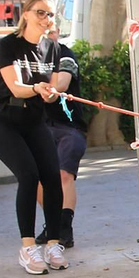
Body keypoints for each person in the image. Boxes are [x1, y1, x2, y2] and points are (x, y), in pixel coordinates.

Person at [0, 0, 70, 275]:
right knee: (28, 175)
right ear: (25, 13)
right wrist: (36, 89)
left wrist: (51, 93)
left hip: (34, 121)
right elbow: (15, 87)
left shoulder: (52, 48)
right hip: (4, 120)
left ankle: (53, 244)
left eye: (50, 14)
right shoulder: (8, 45)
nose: (46, 19)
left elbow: (51, 88)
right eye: (40, 13)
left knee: (53, 177)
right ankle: (27, 248)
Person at [36, 50, 86, 249]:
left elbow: (62, 85)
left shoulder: (65, 55)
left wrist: (40, 90)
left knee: (64, 174)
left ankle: (65, 226)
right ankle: (53, 223)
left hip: (69, 127)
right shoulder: (27, 56)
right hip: (39, 125)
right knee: (37, 177)